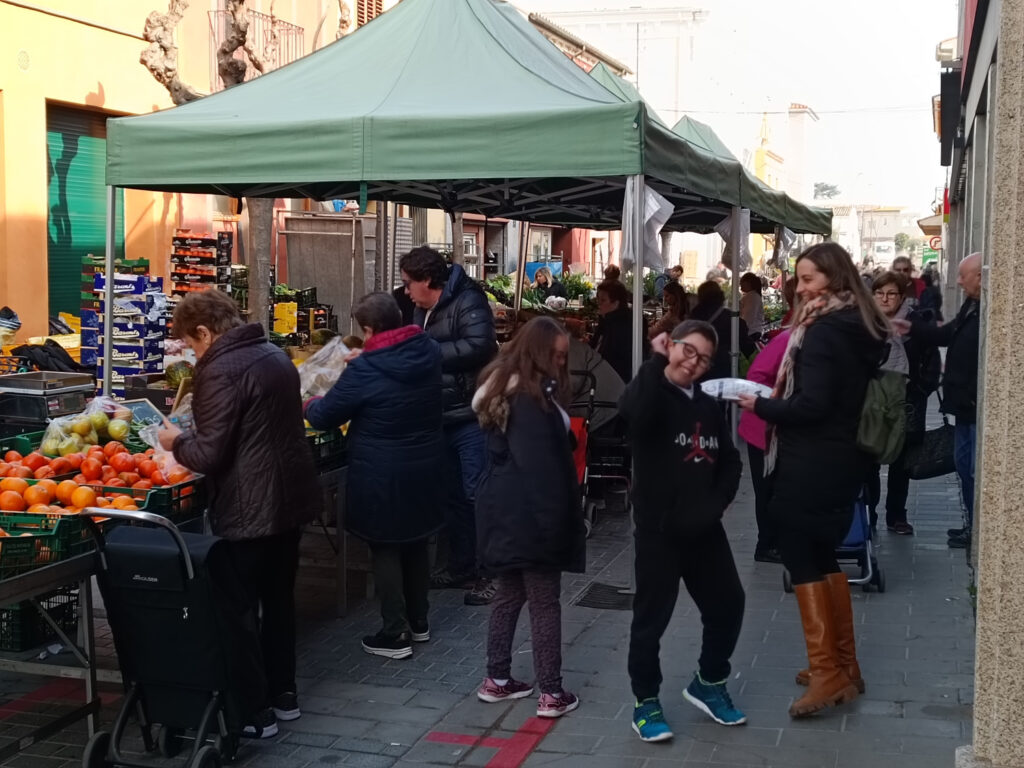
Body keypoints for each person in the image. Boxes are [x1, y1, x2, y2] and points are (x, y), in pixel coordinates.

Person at [159, 288, 320, 739]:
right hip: (288, 500)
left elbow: (209, 454)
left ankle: (254, 712)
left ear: (205, 332)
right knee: (279, 602)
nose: (192, 353)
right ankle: (283, 695)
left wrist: (175, 442)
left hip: (249, 507)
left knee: (237, 611)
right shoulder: (273, 354)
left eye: (191, 343)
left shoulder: (221, 370)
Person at [737, 242, 887, 718]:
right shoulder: (855, 323)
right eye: (798, 279)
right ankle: (844, 664)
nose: (799, 289)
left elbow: (813, 406)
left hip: (813, 461)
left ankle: (828, 672)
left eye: (808, 280)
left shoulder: (823, 333)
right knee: (822, 552)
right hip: (840, 459)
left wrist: (761, 404)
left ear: (834, 280)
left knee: (801, 551)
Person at [620, 320, 745, 741]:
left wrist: (718, 502)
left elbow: (730, 460)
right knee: (651, 619)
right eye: (688, 351)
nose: (694, 363)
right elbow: (633, 413)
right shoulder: (652, 391)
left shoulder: (708, 405)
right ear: (671, 346)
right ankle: (645, 702)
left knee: (729, 604)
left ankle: (709, 682)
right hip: (659, 531)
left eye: (704, 359)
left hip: (704, 529)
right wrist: (654, 362)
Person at [304, 293, 444, 660]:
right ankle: (419, 622)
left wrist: (308, 402)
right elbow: (391, 365)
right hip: (425, 464)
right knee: (415, 540)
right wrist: (365, 358)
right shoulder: (427, 350)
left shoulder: (366, 369)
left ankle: (395, 633)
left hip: (383, 470)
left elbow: (325, 415)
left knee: (385, 545)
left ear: (368, 330)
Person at [473, 317, 585, 718]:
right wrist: (557, 527)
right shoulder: (529, 400)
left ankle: (497, 679)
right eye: (556, 355)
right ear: (537, 353)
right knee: (544, 602)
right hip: (531, 517)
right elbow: (540, 470)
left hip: (505, 512)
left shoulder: (506, 388)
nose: (561, 362)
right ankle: (551, 692)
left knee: (509, 594)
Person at [400, 246, 498, 605]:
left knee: (477, 494)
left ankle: (493, 574)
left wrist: (425, 354)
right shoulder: (420, 308)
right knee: (454, 496)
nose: (406, 291)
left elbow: (480, 345)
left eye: (409, 283)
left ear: (428, 280)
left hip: (470, 415)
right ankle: (462, 567)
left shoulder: (469, 300)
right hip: (440, 414)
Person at [894, 252, 981, 549]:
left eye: (963, 276)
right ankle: (972, 526)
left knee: (970, 467)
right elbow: (947, 335)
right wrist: (913, 328)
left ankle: (975, 530)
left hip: (971, 406)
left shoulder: (986, 308)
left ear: (980, 276)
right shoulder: (971, 306)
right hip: (963, 407)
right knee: (964, 466)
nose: (958, 282)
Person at [864, 273, 940, 535]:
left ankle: (896, 516)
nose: (885, 299)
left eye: (891, 293)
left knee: (901, 462)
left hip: (906, 402)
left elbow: (932, 361)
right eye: (879, 293)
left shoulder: (916, 323)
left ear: (901, 296)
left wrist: (920, 390)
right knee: (869, 459)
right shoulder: (865, 322)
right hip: (873, 404)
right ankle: (869, 515)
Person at [738, 327, 791, 563]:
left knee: (777, 487)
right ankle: (767, 545)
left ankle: (775, 541)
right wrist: (782, 400)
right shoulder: (788, 340)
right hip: (764, 427)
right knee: (768, 488)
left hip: (778, 425)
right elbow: (756, 376)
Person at [689, 281, 755, 381]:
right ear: (720, 296)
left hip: (700, 366)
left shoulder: (693, 316)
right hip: (725, 367)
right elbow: (746, 344)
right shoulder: (731, 318)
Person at [591, 279, 640, 383]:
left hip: (614, 380)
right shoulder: (607, 320)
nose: (598, 303)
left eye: (603, 300)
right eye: (598, 299)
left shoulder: (621, 326)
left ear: (616, 303)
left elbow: (609, 356)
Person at [738, 272, 765, 341]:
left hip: (750, 332)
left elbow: (748, 317)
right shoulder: (752, 296)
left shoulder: (752, 297)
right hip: (752, 331)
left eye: (741, 283)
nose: (740, 286)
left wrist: (741, 330)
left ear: (748, 283)